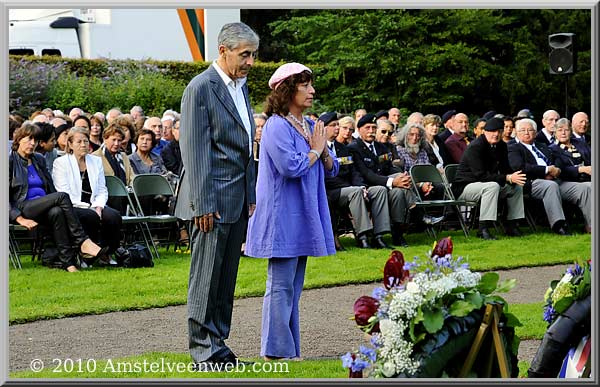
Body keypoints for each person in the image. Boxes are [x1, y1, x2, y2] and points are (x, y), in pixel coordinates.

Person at [176, 22, 259, 367]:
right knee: (205, 281)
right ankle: (202, 350)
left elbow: (245, 146)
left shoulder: (240, 87)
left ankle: (219, 347)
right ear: (223, 50)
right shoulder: (200, 88)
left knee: (225, 282)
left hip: (236, 199)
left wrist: (250, 192)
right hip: (210, 201)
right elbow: (194, 151)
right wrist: (202, 204)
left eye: (253, 54)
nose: (251, 61)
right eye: (245, 54)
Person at [245, 62, 338, 361]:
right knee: (281, 286)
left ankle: (289, 349)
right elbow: (292, 166)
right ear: (288, 90)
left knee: (293, 288)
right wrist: (315, 150)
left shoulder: (311, 126)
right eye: (305, 85)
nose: (312, 91)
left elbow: (332, 167)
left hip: (303, 215)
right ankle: (275, 351)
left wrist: (321, 150)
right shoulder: (275, 126)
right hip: (282, 217)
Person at [9, 123, 108, 272]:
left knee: (59, 212)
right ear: (18, 139)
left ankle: (68, 263)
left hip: (45, 205)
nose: (32, 143)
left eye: (35, 141)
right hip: (24, 206)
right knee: (62, 196)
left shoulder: (38, 159)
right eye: (29, 139)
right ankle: (83, 241)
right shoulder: (9, 161)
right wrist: (19, 218)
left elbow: (50, 186)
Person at [52, 127, 122, 265]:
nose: (83, 145)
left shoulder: (95, 161)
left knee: (113, 216)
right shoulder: (61, 163)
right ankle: (84, 254)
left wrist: (98, 206)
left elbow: (102, 189)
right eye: (79, 142)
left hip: (95, 203)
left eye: (85, 141)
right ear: (70, 144)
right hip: (73, 205)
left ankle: (106, 254)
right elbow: (63, 192)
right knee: (89, 216)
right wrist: (89, 208)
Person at [322, 111, 391, 250]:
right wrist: (355, 188)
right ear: (323, 128)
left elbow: (353, 172)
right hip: (329, 191)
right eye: (333, 125)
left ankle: (379, 235)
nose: (337, 128)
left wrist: (362, 187)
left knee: (379, 190)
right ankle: (363, 236)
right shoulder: (318, 148)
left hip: (348, 189)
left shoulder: (343, 148)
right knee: (355, 192)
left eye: (337, 125)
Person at [451, 118, 526, 240]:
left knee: (516, 186)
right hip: (465, 187)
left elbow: (505, 168)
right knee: (493, 186)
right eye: (492, 131)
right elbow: (480, 175)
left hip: (485, 185)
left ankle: (512, 225)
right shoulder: (475, 147)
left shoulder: (501, 146)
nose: (496, 134)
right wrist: (507, 177)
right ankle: (483, 228)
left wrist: (515, 177)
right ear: (484, 131)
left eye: (499, 131)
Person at [348, 113, 416, 247]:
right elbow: (366, 174)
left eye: (374, 128)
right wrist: (392, 182)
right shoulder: (354, 148)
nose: (371, 131)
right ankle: (415, 209)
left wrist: (401, 176)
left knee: (398, 192)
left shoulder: (381, 147)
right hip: (368, 186)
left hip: (384, 184)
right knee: (388, 188)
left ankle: (397, 233)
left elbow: (389, 168)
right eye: (367, 128)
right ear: (359, 129)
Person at [507, 118, 571, 235]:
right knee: (550, 186)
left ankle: (592, 224)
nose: (526, 133)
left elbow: (557, 158)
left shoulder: (542, 146)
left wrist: (556, 169)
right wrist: (546, 170)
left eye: (530, 130)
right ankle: (559, 225)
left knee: (586, 187)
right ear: (517, 132)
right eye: (523, 130)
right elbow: (520, 167)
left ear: (536, 133)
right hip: (532, 182)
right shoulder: (513, 147)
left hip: (555, 179)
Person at [549, 118, 592, 234]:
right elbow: (559, 170)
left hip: (586, 178)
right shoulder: (552, 149)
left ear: (571, 131)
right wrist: (580, 169)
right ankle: (591, 226)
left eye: (566, 130)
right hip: (565, 181)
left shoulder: (580, 144)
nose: (563, 133)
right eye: (560, 130)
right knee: (588, 187)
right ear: (555, 132)